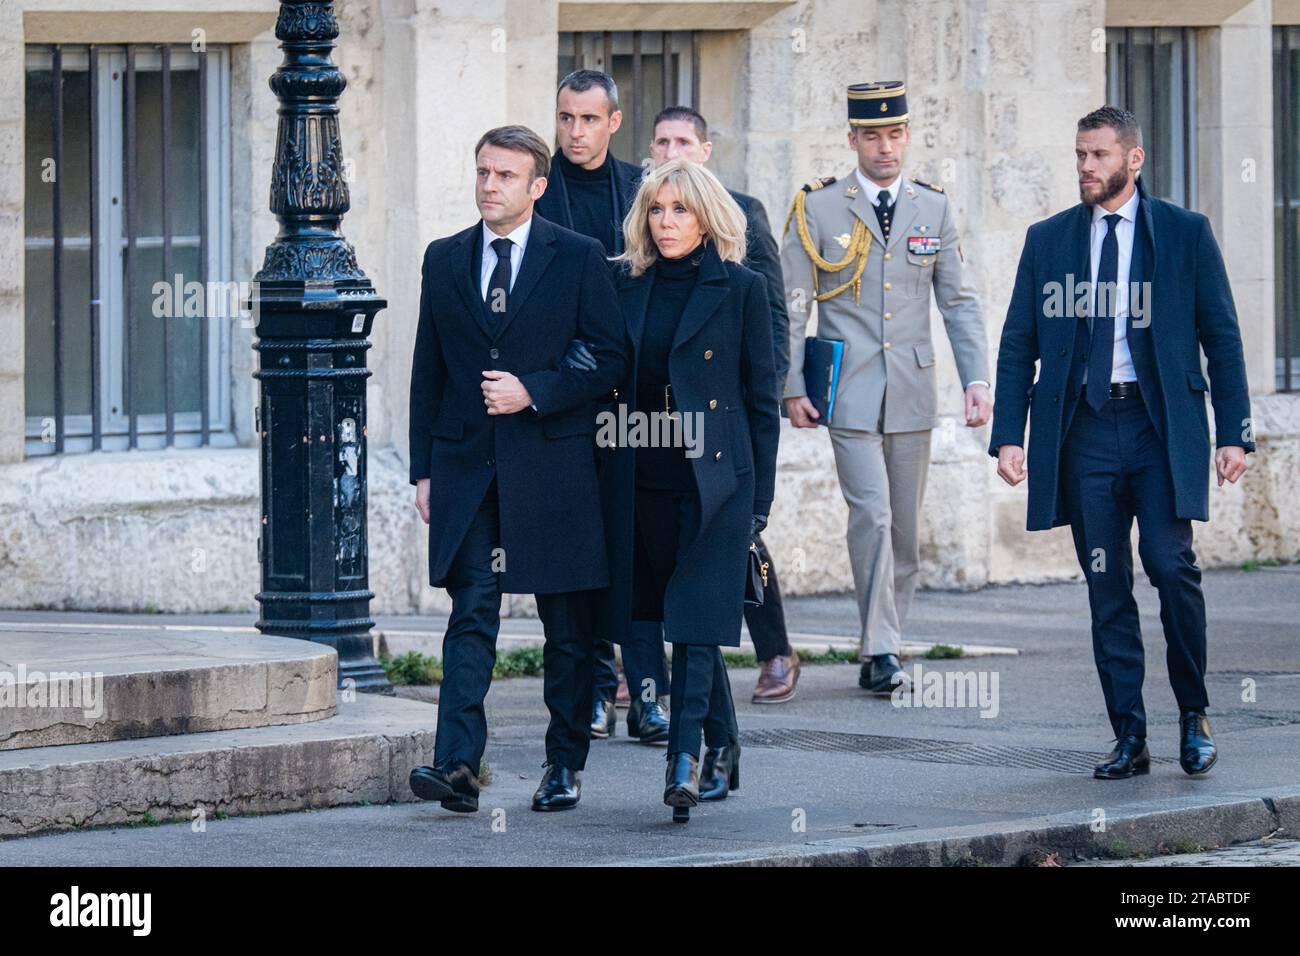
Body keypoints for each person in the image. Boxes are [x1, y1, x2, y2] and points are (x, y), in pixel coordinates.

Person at [989, 106, 1252, 780]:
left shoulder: (1186, 234)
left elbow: (1220, 337)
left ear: (1133, 160)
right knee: (1107, 587)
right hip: (1087, 432)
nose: (1085, 167)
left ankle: (1193, 714)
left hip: (1158, 430)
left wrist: (1234, 434)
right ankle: (1129, 737)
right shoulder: (1049, 240)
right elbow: (1019, 341)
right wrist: (1008, 438)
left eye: (1099, 155)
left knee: (1171, 566)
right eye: (1079, 154)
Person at [406, 125, 626, 814]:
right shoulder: (444, 259)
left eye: (505, 176)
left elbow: (607, 356)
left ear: (537, 186)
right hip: (468, 470)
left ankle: (563, 764)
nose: (490, 186)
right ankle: (457, 765)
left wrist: (535, 389)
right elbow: (428, 371)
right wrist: (424, 470)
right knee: (471, 612)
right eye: (482, 173)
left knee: (566, 627)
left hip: (554, 469)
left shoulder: (580, 257)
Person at [782, 81, 990, 694]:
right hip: (847, 389)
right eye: (872, 135)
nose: (885, 147)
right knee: (870, 515)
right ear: (853, 139)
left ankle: (888, 637)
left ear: (906, 136)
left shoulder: (934, 207)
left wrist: (977, 379)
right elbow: (793, 305)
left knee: (903, 530)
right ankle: (880, 651)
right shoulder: (817, 207)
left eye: (895, 134)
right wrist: (791, 384)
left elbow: (958, 302)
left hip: (913, 389)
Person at [596, 158, 779, 822]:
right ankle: (724, 744)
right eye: (656, 209)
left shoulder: (741, 288)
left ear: (706, 217)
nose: (666, 221)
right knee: (676, 618)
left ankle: (684, 760)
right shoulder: (624, 283)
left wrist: (759, 499)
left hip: (716, 483)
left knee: (697, 625)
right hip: (641, 472)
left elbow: (762, 402)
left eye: (679, 209)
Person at [649, 105, 801, 706]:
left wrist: (770, 389)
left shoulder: (741, 209)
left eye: (684, 140)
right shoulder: (650, 215)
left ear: (705, 150)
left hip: (725, 406)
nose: (672, 151)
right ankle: (654, 677)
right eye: (662, 141)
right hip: (660, 419)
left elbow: (772, 307)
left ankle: (775, 651)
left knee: (740, 537)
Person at [532, 68, 668, 743]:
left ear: (615, 121)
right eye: (566, 118)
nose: (576, 131)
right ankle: (589, 694)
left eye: (589, 119)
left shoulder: (644, 192)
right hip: (562, 402)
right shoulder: (538, 190)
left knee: (636, 554)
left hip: (634, 402)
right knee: (574, 558)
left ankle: (648, 694)